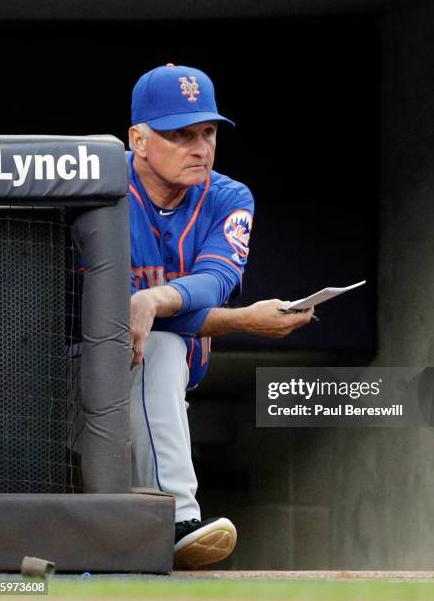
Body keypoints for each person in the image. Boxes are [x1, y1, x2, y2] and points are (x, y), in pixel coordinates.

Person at [127, 64, 312, 569]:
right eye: (179, 134)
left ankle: (166, 521)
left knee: (161, 343)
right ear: (138, 140)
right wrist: (245, 321)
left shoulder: (230, 196)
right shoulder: (101, 188)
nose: (200, 147)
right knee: (160, 344)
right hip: (73, 376)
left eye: (207, 132)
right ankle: (179, 520)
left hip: (157, 389)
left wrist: (154, 299)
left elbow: (215, 281)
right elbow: (104, 316)